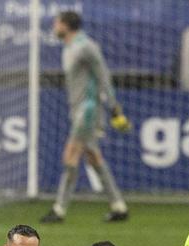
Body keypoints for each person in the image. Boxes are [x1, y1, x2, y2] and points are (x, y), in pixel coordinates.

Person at [40, 11, 131, 225]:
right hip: (77, 109)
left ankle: (59, 209)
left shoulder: (86, 46)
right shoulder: (69, 48)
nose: (54, 26)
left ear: (66, 25)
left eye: (57, 22)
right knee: (93, 158)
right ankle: (119, 206)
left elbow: (103, 75)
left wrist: (114, 105)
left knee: (70, 154)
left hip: (88, 109)